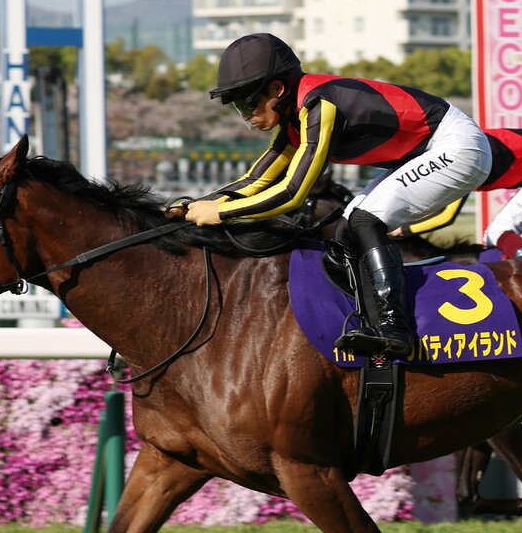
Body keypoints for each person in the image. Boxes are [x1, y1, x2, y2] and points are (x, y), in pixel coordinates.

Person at [186, 33, 492, 357]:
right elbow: (256, 178)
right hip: (425, 151)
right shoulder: (294, 119)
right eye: (238, 107)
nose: (246, 116)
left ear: (277, 90)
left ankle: (394, 328)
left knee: (362, 219)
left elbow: (291, 193)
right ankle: (370, 319)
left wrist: (221, 214)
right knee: (346, 227)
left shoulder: (319, 105)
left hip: (458, 146)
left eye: (248, 103)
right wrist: (193, 206)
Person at [396, 128, 522, 257]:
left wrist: (403, 231)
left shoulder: (459, 156)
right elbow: (437, 207)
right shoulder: (452, 150)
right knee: (492, 240)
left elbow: (446, 216)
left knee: (498, 231)